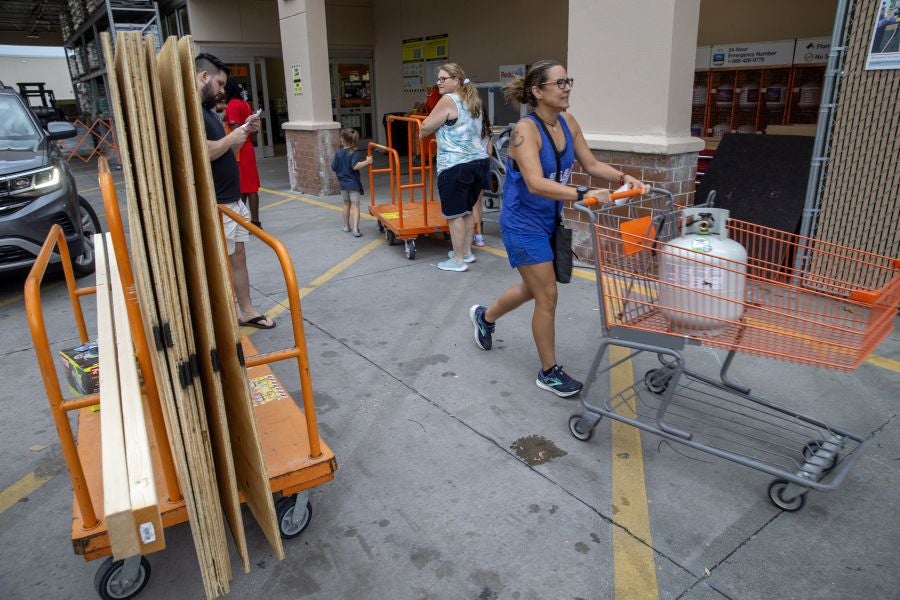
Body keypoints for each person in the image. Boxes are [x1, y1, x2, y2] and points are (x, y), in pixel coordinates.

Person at [468, 59, 648, 397]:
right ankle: (548, 372)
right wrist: (584, 192)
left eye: (569, 81)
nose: (567, 88)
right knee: (547, 295)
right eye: (560, 82)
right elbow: (535, 183)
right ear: (538, 91)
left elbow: (591, 163)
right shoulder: (525, 130)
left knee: (532, 289)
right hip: (522, 224)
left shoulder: (567, 122)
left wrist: (624, 178)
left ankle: (485, 317)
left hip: (550, 221)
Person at [195, 52, 275, 330]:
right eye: (218, 83)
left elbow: (226, 152)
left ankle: (246, 310)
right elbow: (200, 152)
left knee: (237, 255)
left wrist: (245, 133)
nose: (221, 91)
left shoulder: (208, 111)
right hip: (218, 202)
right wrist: (231, 137)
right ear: (203, 77)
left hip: (231, 199)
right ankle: (227, 314)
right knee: (223, 260)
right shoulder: (190, 112)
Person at [418, 63, 489, 272]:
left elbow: (426, 126)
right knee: (466, 211)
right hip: (478, 162)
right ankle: (466, 252)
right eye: (438, 79)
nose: (439, 82)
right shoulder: (472, 99)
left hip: (455, 165)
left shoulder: (448, 100)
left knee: (454, 214)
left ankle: (457, 260)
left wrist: (423, 132)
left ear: (456, 81)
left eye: (443, 79)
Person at [223, 80, 263, 229]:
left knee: (244, 188)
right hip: (248, 148)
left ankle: (249, 223)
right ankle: (252, 222)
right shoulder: (244, 104)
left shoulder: (232, 105)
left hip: (239, 150)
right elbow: (252, 129)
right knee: (249, 187)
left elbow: (236, 131)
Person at [331, 127, 373, 237]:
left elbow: (333, 167)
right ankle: (355, 229)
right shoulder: (354, 153)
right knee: (355, 206)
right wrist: (367, 162)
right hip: (353, 184)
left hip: (343, 184)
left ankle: (346, 226)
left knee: (346, 204)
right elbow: (355, 166)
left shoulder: (339, 153)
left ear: (343, 140)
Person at [472, 112, 494, 247]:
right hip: (485, 163)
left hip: (473, 163)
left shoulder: (470, 128)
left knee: (473, 204)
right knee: (478, 203)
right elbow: (490, 153)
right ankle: (478, 234)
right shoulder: (487, 129)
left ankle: (478, 235)